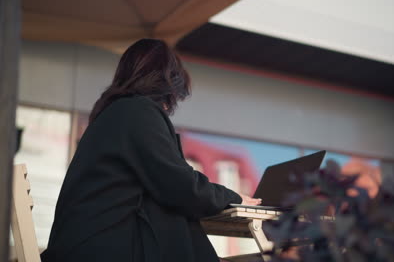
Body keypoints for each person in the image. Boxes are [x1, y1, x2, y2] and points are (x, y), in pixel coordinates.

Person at [40, 39, 261, 262]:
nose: (169, 107)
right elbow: (179, 184)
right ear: (168, 83)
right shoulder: (137, 111)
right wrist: (232, 197)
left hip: (84, 243)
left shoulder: (113, 114)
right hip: (101, 249)